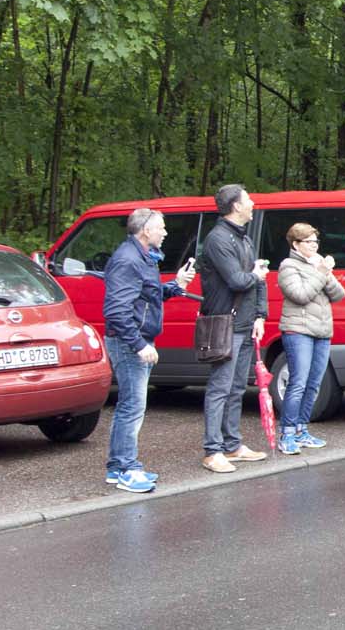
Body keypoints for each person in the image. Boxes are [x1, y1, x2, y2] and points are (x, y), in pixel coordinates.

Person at [101, 207, 198, 492]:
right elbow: (116, 311)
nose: (165, 232)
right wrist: (139, 344)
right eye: (161, 227)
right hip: (128, 342)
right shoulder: (128, 260)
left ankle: (119, 466)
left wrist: (176, 285)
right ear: (145, 230)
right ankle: (125, 469)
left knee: (131, 406)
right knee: (132, 406)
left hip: (135, 339)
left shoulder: (145, 257)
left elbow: (148, 295)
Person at [199, 184, 270, 473]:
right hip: (225, 324)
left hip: (245, 323)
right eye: (248, 199)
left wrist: (260, 316)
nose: (253, 203)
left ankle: (232, 445)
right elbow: (238, 280)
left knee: (238, 387)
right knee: (220, 388)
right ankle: (212, 450)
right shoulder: (218, 239)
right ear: (236, 206)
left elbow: (258, 280)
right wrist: (256, 274)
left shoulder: (244, 238)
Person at [276, 222, 345, 455]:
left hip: (322, 332)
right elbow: (300, 295)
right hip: (298, 331)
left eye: (316, 241)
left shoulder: (317, 265)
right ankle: (287, 434)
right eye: (309, 241)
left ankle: (301, 430)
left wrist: (324, 272)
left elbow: (339, 294)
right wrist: (321, 272)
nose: (315, 245)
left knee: (314, 384)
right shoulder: (288, 266)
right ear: (296, 244)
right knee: (298, 383)